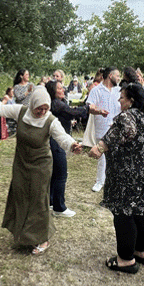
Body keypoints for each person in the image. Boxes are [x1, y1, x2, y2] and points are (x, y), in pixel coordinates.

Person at [0, 84, 81, 255]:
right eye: (39, 108)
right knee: (20, 195)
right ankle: (22, 232)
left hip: (41, 166)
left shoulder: (50, 121)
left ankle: (43, 238)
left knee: (38, 200)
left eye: (45, 108)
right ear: (33, 104)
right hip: (21, 162)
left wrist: (72, 144)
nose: (42, 112)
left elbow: (62, 137)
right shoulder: (21, 111)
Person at [88, 83, 144, 274]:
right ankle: (141, 251)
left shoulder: (128, 116)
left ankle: (125, 260)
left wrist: (100, 147)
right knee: (142, 211)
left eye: (122, 97)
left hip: (131, 175)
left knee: (124, 213)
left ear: (131, 100)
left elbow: (126, 130)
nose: (119, 100)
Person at [45, 80, 107, 218]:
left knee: (55, 174)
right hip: (57, 143)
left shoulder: (55, 103)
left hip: (54, 141)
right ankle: (59, 208)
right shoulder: (57, 104)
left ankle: (51, 201)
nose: (63, 90)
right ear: (53, 91)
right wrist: (87, 106)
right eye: (60, 88)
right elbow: (74, 112)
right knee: (61, 175)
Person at [83, 67, 121, 192]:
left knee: (116, 156)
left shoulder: (119, 90)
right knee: (102, 156)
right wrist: (99, 111)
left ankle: (114, 182)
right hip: (102, 127)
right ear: (110, 76)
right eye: (117, 75)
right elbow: (90, 107)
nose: (119, 78)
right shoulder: (96, 90)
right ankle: (100, 181)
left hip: (117, 128)